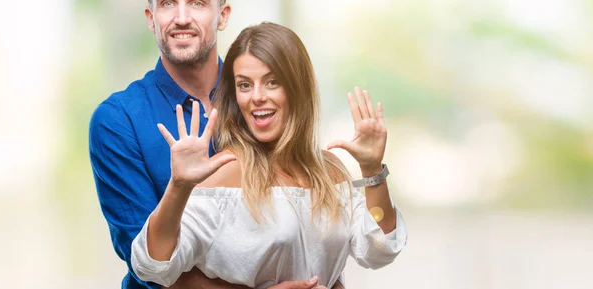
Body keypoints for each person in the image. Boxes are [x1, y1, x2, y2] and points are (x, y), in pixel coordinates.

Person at [89, 0, 343, 288]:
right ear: (151, 18)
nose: (181, 18)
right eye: (167, 3)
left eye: (197, 3)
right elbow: (150, 266)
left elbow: (307, 227)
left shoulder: (262, 101)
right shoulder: (117, 121)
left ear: (222, 15)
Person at [130, 22, 408, 288]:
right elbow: (154, 265)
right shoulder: (227, 171)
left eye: (272, 82)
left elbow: (379, 249)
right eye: (245, 85)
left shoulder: (330, 172)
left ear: (298, 88)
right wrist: (179, 186)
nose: (257, 97)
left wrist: (372, 171)